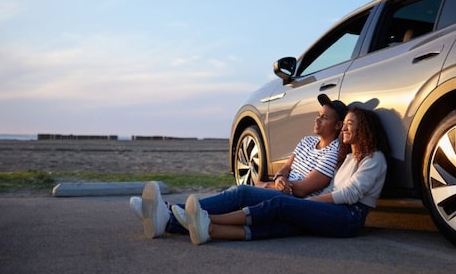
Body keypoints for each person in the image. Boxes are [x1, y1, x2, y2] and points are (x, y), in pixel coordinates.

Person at [130, 94, 348, 239]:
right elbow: (286, 167)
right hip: (282, 189)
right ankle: (167, 219)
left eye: (324, 118)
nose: (317, 120)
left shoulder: (333, 151)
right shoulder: (306, 141)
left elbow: (302, 189)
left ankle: (166, 211)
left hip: (295, 202)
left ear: (338, 125)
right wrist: (280, 178)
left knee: (241, 193)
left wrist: (268, 185)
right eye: (318, 115)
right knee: (237, 197)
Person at [166, 106, 389, 244]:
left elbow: (350, 194)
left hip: (350, 217)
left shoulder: (374, 158)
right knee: (285, 225)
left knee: (282, 206)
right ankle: (208, 230)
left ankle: (207, 218)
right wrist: (303, 202)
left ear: (364, 129)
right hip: (336, 211)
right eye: (345, 125)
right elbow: (333, 189)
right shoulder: (348, 158)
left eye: (350, 124)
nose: (345, 129)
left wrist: (308, 203)